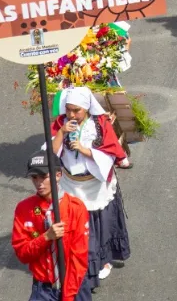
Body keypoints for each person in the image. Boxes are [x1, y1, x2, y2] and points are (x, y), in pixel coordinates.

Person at [49, 88, 130, 286]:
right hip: (72, 184)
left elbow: (110, 152)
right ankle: (77, 261)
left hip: (95, 185)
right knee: (76, 226)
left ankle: (102, 261)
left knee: (98, 226)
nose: (71, 114)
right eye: (68, 109)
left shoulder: (100, 124)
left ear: (86, 108)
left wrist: (84, 150)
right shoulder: (61, 123)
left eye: (76, 110)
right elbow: (51, 152)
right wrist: (61, 132)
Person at [11, 153, 93, 301]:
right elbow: (22, 254)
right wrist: (46, 238)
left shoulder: (75, 208)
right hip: (42, 289)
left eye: (44, 176)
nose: (39, 183)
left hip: (73, 286)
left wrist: (68, 297)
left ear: (58, 175)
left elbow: (79, 258)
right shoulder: (24, 209)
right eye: (34, 177)